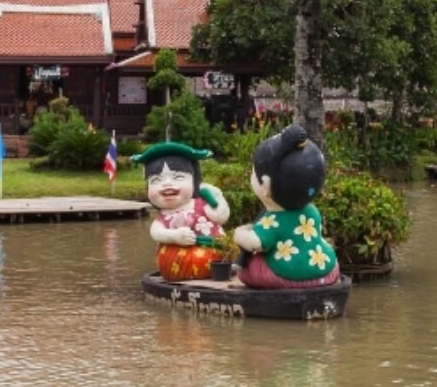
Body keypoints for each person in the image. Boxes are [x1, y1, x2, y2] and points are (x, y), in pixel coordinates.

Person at [234, 124, 340, 289]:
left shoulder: (273, 220)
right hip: (326, 271)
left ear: (266, 185)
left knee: (248, 268)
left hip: (285, 276)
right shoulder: (312, 211)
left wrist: (239, 233)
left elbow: (255, 243)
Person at [136, 141, 230, 281]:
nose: (167, 184)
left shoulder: (200, 204)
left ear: (195, 181)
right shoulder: (163, 217)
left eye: (178, 177)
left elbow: (220, 217)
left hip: (212, 253)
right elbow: (156, 233)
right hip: (176, 260)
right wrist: (173, 236)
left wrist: (218, 197)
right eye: (156, 180)